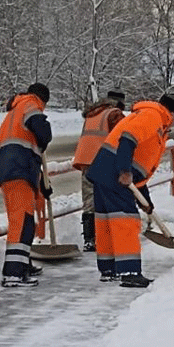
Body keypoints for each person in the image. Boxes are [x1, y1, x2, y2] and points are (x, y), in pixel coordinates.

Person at [86, 91, 174, 288]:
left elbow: (139, 166)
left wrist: (146, 201)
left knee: (106, 222)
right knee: (125, 221)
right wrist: (124, 171)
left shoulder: (150, 117)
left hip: (106, 172)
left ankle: (109, 269)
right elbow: (128, 139)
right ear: (173, 114)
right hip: (116, 173)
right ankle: (130, 271)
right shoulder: (153, 116)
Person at [0, 83, 53, 287]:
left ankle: (23, 265)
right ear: (43, 99)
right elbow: (42, 131)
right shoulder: (30, 105)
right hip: (19, 171)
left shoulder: (15, 111)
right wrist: (45, 138)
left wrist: (42, 185)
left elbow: (26, 148)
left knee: (22, 221)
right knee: (22, 223)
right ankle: (13, 274)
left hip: (13, 170)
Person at [72, 90, 127, 252]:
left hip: (86, 161)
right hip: (104, 161)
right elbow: (123, 138)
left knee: (90, 201)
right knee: (107, 199)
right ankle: (107, 237)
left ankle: (90, 240)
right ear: (120, 103)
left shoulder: (92, 114)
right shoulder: (115, 114)